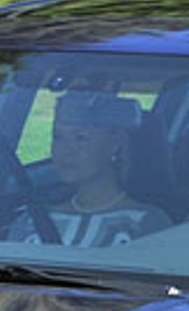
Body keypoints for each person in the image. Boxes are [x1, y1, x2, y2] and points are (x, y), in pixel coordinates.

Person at [13, 91, 166, 247]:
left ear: (114, 144)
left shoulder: (146, 224)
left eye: (81, 138)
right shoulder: (30, 222)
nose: (66, 150)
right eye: (57, 137)